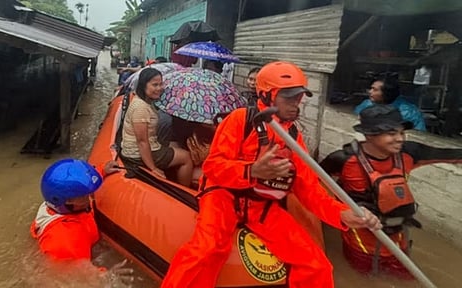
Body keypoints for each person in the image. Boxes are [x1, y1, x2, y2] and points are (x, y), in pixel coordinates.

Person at [161, 61, 382, 288]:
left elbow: (309, 189)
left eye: (298, 98)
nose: (296, 104)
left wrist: (343, 215)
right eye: (288, 97)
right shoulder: (240, 120)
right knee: (207, 250)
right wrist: (251, 170)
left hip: (261, 204)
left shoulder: (293, 137)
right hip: (222, 195)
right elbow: (214, 167)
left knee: (316, 263)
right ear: (267, 95)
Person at [320, 104, 462, 278]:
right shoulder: (342, 159)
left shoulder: (410, 153)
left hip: (398, 239)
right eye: (391, 133)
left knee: (407, 277)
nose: (400, 138)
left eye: (402, 132)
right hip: (361, 240)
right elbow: (315, 183)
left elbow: (451, 154)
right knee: (361, 277)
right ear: (369, 135)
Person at [30, 158, 119, 259]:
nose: (90, 194)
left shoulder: (63, 201)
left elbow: (80, 182)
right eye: (85, 194)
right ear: (68, 200)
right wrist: (106, 274)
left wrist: (102, 170)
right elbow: (77, 270)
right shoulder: (66, 239)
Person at [120, 68, 193, 187]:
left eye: (161, 84)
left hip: (149, 145)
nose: (159, 88)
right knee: (187, 157)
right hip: (136, 154)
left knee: (175, 144)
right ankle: (185, 191)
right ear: (143, 85)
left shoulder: (146, 102)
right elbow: (142, 141)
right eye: (155, 85)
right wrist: (153, 168)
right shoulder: (141, 108)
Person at [354, 77, 427, 131]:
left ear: (386, 93)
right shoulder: (366, 104)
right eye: (371, 88)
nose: (370, 91)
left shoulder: (409, 112)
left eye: (375, 90)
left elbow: (420, 134)